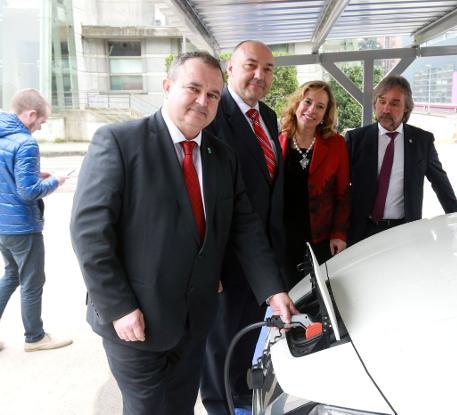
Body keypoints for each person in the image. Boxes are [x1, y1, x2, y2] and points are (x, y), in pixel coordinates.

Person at [69, 51, 296, 415]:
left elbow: (244, 225)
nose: (202, 101)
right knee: (147, 408)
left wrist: (272, 289)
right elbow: (90, 233)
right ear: (167, 87)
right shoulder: (119, 142)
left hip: (195, 320)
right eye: (193, 88)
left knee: (179, 406)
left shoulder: (222, 155)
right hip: (136, 322)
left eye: (213, 94)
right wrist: (119, 307)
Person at [199, 40, 286, 414]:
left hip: (258, 257)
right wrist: (209, 264)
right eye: (251, 65)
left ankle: (237, 397)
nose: (259, 75)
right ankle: (219, 404)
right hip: (225, 260)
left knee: (246, 338)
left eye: (268, 69)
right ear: (230, 68)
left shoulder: (266, 116)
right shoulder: (213, 118)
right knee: (219, 343)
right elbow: (201, 194)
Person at [346, 75, 457, 244]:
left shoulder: (422, 141)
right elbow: (338, 188)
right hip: (361, 230)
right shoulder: (356, 139)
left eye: (394, 103)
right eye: (382, 101)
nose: (385, 109)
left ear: (406, 107)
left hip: (403, 231)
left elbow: (441, 184)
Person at [0, 89, 72, 352]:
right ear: (30, 114)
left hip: (2, 225)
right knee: (32, 280)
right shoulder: (26, 143)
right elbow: (27, 191)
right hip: (21, 226)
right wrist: (55, 180)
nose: (40, 127)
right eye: (41, 121)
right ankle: (35, 337)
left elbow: (7, 174)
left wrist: (33, 172)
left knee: (11, 275)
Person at [278, 80, 350, 288]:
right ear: (296, 103)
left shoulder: (336, 144)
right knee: (289, 297)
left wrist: (339, 233)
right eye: (307, 102)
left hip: (321, 238)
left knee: (321, 295)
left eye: (320, 106)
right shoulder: (277, 139)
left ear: (326, 113)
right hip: (285, 239)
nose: (312, 110)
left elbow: (343, 193)